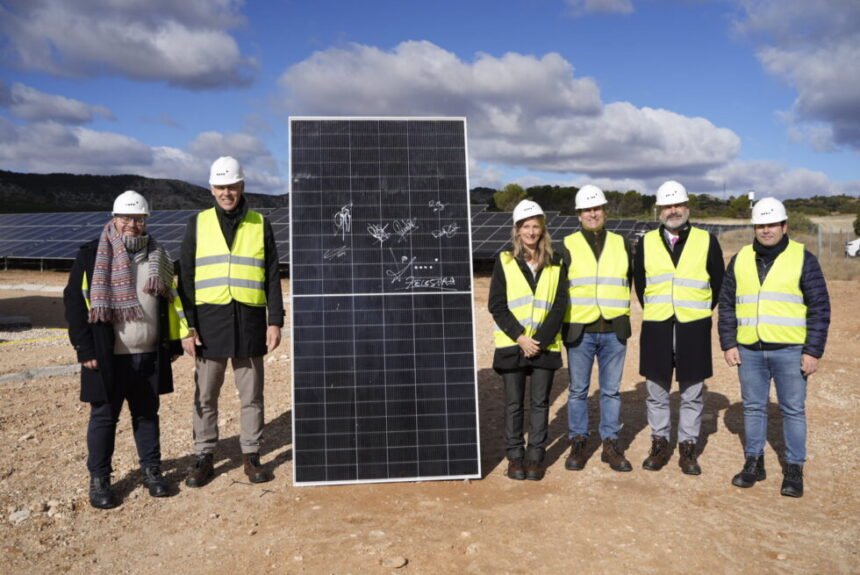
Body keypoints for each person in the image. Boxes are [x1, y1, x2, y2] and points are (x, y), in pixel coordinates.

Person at [64, 190, 185, 509]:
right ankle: (100, 479)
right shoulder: (91, 254)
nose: (132, 223)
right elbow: (75, 304)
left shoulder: (161, 256)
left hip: (147, 353)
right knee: (104, 419)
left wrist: (172, 343)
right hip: (105, 356)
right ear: (114, 219)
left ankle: (152, 471)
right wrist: (84, 348)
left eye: (139, 218)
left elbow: (170, 305)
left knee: (147, 416)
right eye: (126, 218)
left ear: (146, 221)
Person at [178, 156, 284, 487]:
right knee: (205, 395)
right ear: (212, 189)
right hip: (209, 324)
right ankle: (203, 456)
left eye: (232, 186)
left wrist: (275, 320)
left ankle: (251, 456)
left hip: (250, 321)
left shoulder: (259, 223)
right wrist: (187, 327)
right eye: (221, 187)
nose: (227, 192)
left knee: (251, 394)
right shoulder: (198, 223)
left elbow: (271, 274)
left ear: (242, 187)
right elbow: (186, 278)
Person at [719, 197, 830, 497]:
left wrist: (813, 350)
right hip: (750, 350)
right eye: (760, 225)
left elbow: (819, 307)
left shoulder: (802, 258)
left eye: (771, 225)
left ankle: (794, 468)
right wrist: (729, 342)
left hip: (790, 350)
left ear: (784, 226)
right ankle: (754, 462)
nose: (766, 230)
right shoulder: (740, 259)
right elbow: (727, 304)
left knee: (793, 409)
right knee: (754, 407)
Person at [633, 180, 724, 475]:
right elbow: (641, 284)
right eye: (667, 206)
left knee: (692, 392)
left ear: (687, 207)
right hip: (657, 325)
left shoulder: (706, 240)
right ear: (659, 210)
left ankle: (687, 448)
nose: (673, 210)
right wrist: (661, 308)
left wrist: (695, 310)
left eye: (678, 205)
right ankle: (660, 444)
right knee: (657, 390)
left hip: (693, 327)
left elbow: (718, 282)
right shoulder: (645, 243)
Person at [489, 199, 567, 481]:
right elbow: (497, 305)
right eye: (526, 227)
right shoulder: (504, 261)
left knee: (540, 403)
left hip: (544, 347)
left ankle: (535, 457)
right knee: (513, 404)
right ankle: (515, 457)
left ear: (542, 230)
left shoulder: (556, 262)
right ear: (517, 231)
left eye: (536, 227)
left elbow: (559, 306)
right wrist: (521, 338)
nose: (531, 232)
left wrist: (540, 341)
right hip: (513, 346)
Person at [559, 185, 633, 472]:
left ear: (604, 211)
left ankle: (610, 444)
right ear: (579, 214)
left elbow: (630, 281)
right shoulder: (565, 245)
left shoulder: (622, 243)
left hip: (615, 329)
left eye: (597, 208)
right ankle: (578, 440)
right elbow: (561, 290)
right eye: (587, 209)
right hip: (580, 330)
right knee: (578, 390)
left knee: (611, 391)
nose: (593, 213)